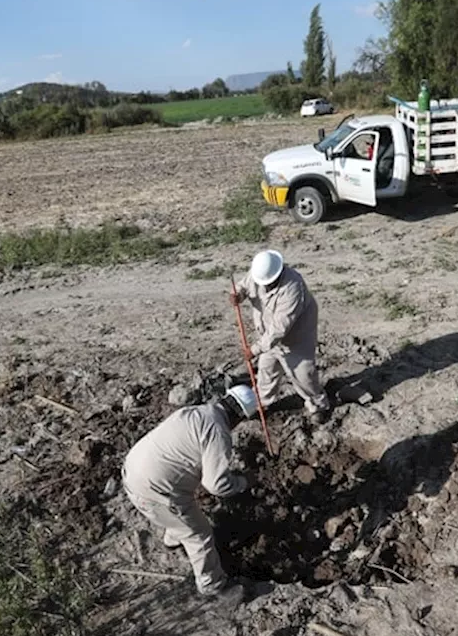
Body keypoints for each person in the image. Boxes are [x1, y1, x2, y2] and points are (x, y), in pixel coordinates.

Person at [123, 385, 257, 602]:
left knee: (181, 510)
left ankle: (173, 539)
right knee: (199, 533)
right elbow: (217, 485)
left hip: (133, 470)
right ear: (240, 416)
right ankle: (212, 585)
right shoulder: (218, 432)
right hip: (152, 491)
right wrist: (243, 482)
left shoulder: (194, 412)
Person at [235, 250, 332, 424]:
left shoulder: (293, 287)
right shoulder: (260, 273)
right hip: (267, 337)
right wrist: (238, 294)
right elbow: (244, 285)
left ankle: (317, 404)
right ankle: (262, 404)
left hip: (296, 337)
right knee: (266, 371)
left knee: (303, 375)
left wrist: (254, 350)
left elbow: (279, 329)